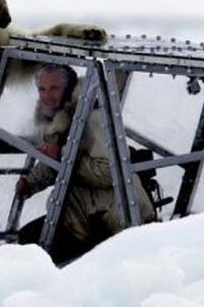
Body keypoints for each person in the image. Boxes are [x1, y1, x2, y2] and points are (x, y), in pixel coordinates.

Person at [15, 64, 155, 262]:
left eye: (54, 88)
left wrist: (62, 156)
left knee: (39, 250)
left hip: (115, 218)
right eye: (42, 89)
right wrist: (31, 183)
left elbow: (109, 172)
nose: (47, 96)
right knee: (28, 239)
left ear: (69, 89)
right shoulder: (61, 118)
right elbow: (57, 160)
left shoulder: (95, 118)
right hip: (84, 213)